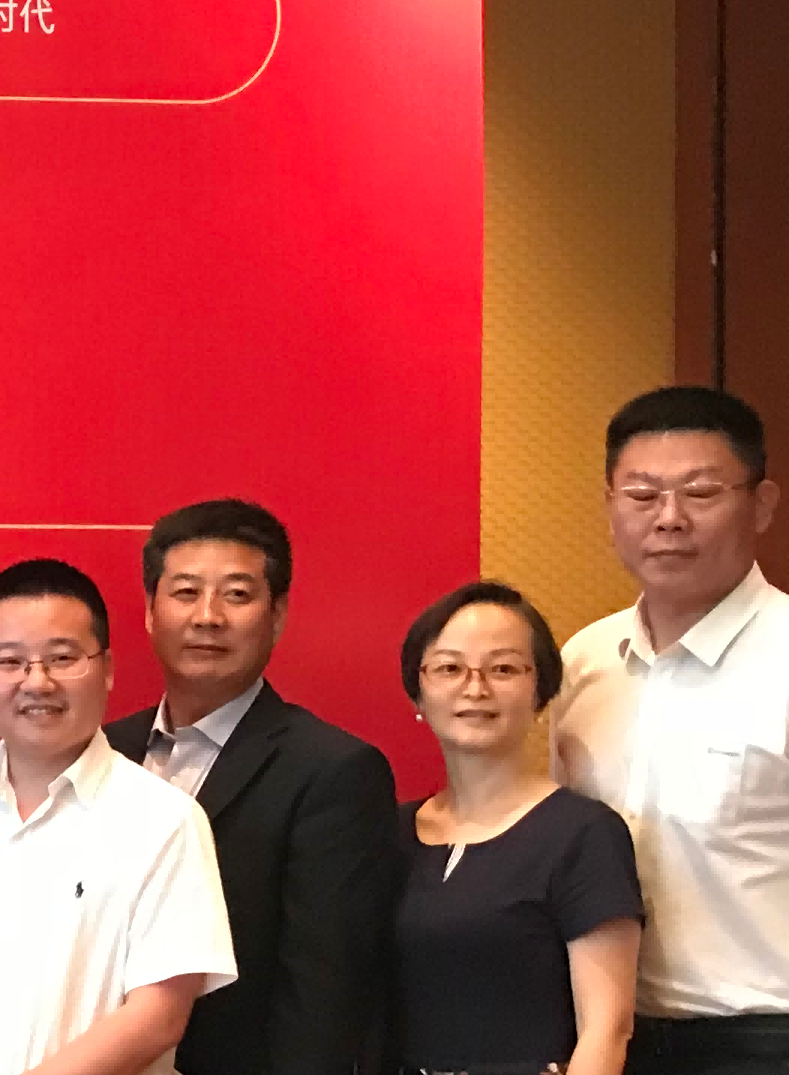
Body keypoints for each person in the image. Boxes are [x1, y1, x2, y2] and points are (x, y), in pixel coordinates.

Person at [0, 559, 235, 1075]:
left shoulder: (167, 819)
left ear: (107, 668)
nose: (38, 682)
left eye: (63, 657)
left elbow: (159, 1015)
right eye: (10, 661)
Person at [98, 500, 398, 1075]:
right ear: (151, 611)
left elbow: (325, 995)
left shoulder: (334, 773)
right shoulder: (102, 753)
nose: (208, 616)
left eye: (236, 594)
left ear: (277, 615)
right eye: (186, 592)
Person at [549, 386, 789, 1074]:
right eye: (642, 495)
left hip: (763, 1038)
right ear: (611, 507)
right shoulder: (583, 660)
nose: (669, 519)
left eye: (701, 493)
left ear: (761, 504)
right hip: (607, 1036)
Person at [393, 581, 640, 1075]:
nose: (475, 688)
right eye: (449, 668)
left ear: (541, 693)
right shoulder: (386, 833)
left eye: (503, 668)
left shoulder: (584, 834)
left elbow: (607, 1030)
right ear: (418, 692)